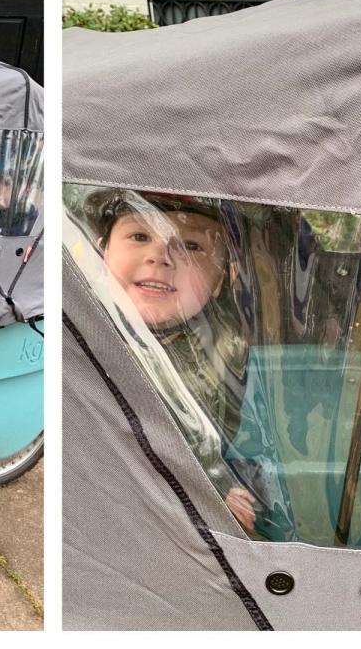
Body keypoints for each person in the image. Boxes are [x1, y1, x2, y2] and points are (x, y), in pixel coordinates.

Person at [86, 189, 294, 539]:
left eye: (191, 246)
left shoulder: (225, 349)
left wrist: (217, 483)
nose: (160, 256)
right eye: (139, 236)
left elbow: (217, 431)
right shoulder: (80, 332)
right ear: (101, 251)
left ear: (223, 279)